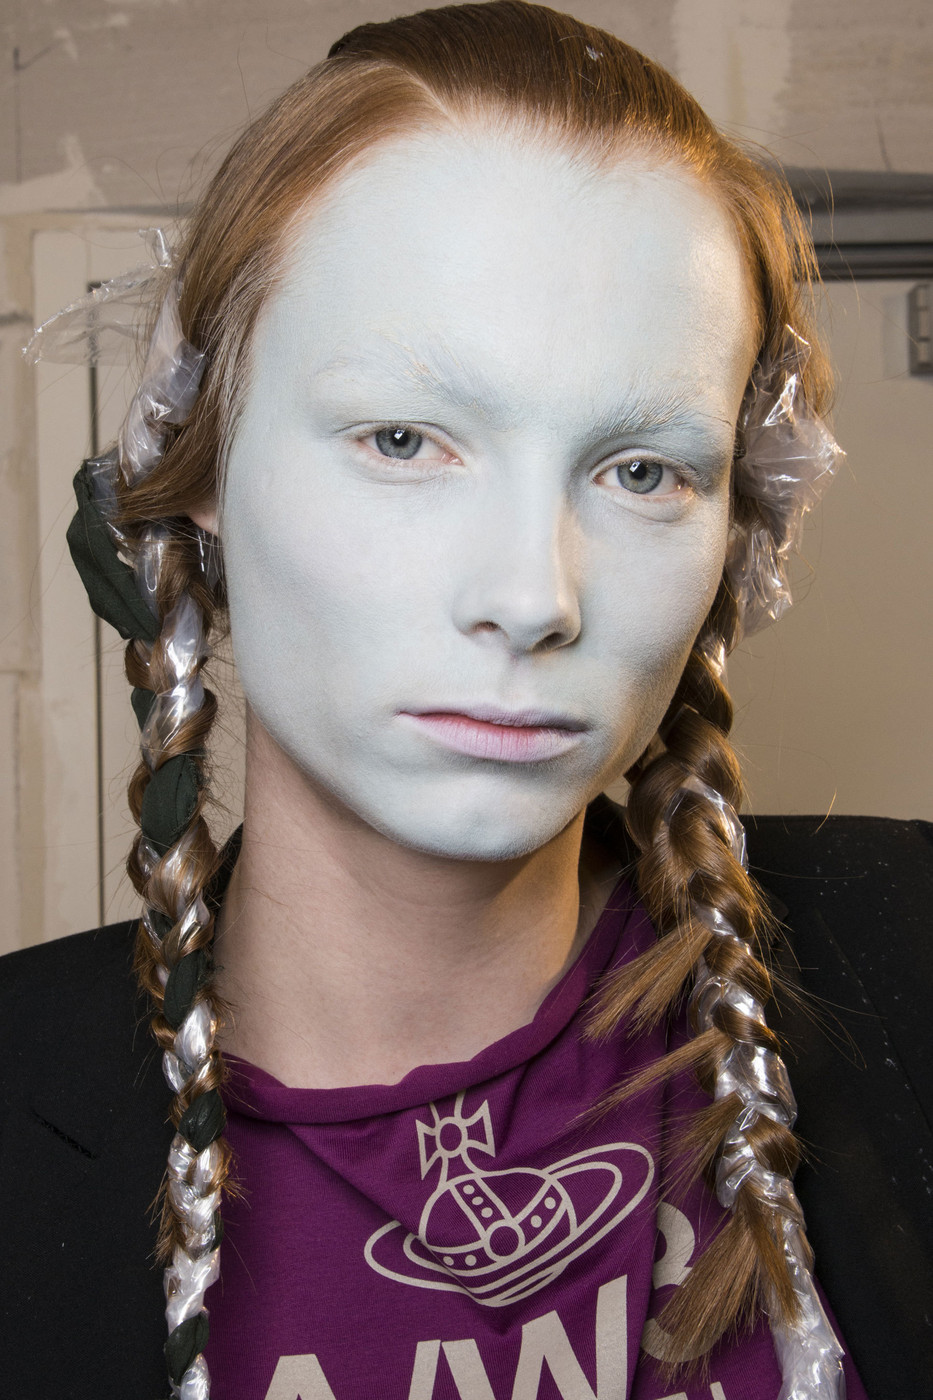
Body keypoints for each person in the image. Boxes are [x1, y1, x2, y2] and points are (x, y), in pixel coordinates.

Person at [3, 3, 931, 1398]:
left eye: (641, 471)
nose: (531, 594)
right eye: (402, 439)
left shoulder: (909, 959)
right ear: (196, 462)